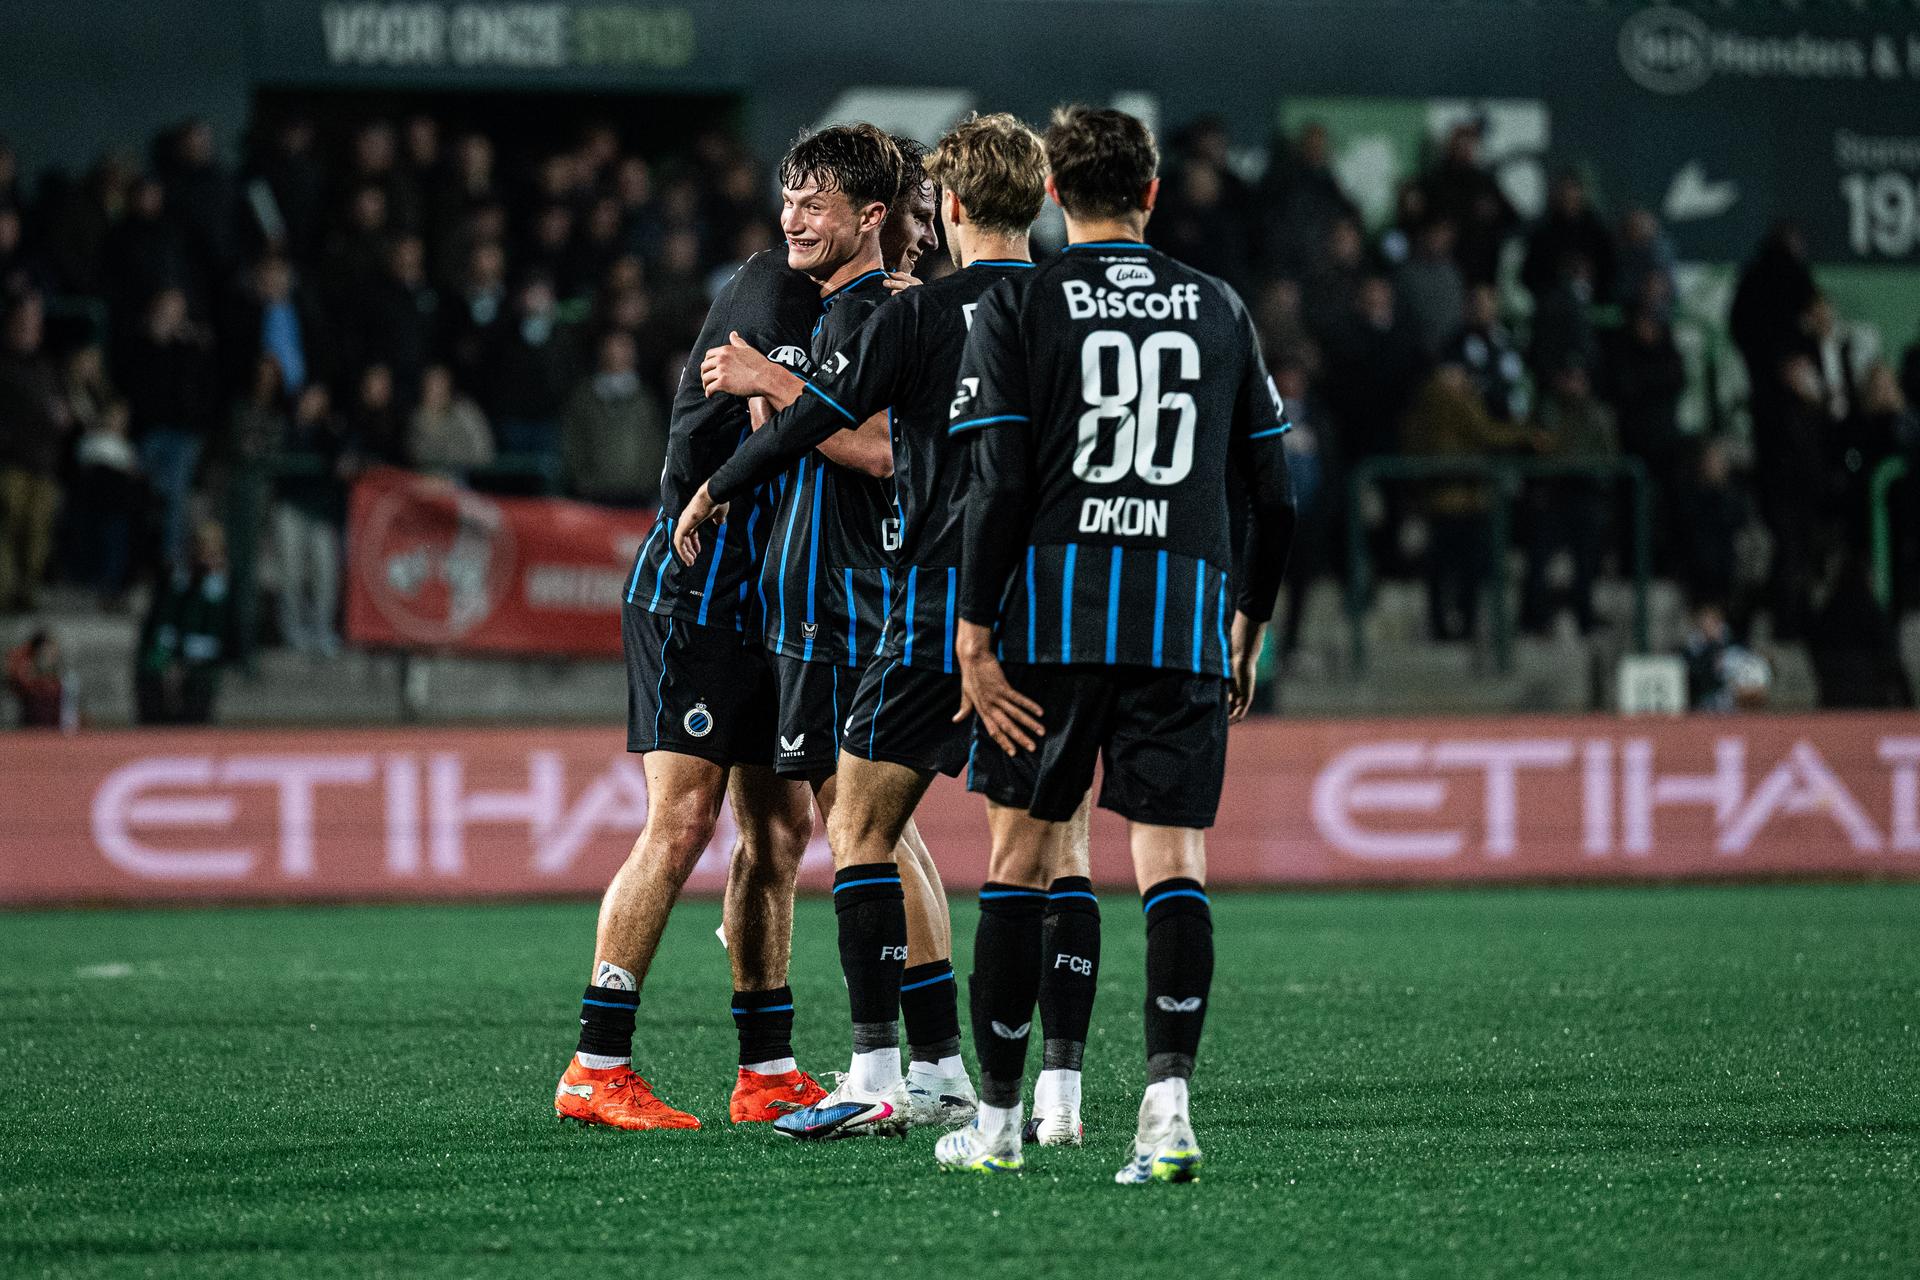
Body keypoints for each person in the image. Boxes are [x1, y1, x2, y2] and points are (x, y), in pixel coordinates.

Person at [678, 113, 1100, 1145]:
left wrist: (711, 489)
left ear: (944, 206)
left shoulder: (921, 313)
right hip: (1067, 606)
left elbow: (827, 420)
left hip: (934, 604)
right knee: (1052, 852)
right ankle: (1051, 1097)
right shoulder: (1078, 310)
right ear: (1041, 200)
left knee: (862, 831)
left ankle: (890, 1071)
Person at [934, 106, 1295, 1179]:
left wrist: (974, 625)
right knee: (1173, 864)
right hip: (1183, 620)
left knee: (1022, 860)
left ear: (1053, 195)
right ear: (1149, 195)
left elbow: (996, 481)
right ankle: (1167, 1114)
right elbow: (1272, 496)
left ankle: (999, 1124)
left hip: (1052, 621)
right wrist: (1251, 620)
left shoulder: (1021, 303)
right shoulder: (1218, 306)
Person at [552, 132, 891, 1136]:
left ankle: (767, 1065)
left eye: (815, 204)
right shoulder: (773, 293)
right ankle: (596, 1060)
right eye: (789, 198)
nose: (793, 218)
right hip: (699, 585)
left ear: (865, 218)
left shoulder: (841, 303)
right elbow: (783, 431)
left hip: (767, 602)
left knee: (779, 833)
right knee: (682, 819)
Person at [0, 293, 69, 612]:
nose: (29, 329)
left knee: (37, 534)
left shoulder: (47, 366)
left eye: (34, 323)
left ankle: (26, 595)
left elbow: (59, 408)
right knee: (8, 530)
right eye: (23, 322)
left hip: (44, 463)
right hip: (11, 462)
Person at [134, 520, 233, 724]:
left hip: (203, 664)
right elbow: (163, 625)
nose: (209, 558)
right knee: (152, 673)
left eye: (215, 552)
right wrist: (170, 660)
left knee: (197, 684)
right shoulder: (178, 581)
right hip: (172, 654)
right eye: (204, 551)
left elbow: (224, 639)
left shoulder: (222, 590)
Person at [560, 331, 665, 506]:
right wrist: (583, 481)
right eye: (612, 347)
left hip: (637, 496)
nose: (617, 353)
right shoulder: (584, 396)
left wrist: (647, 482)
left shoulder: (645, 400)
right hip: (592, 494)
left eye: (624, 348)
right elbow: (573, 440)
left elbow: (655, 443)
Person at [408, 364, 494, 475]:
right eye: (432, 384)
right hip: (419, 481)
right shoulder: (413, 418)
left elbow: (484, 452)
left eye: (441, 384)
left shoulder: (464, 412)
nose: (437, 390)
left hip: (458, 480)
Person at [6, 628, 70, 728]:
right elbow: (21, 680)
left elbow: (57, 682)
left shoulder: (49, 658)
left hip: (41, 692)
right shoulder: (22, 656)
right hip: (26, 695)